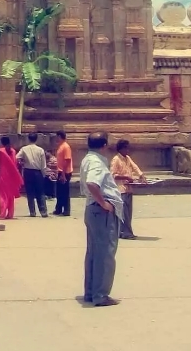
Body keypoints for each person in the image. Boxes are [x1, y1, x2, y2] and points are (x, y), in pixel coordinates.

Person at [80, 131, 123, 307]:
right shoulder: (96, 162)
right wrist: (104, 203)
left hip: (93, 210)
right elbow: (92, 183)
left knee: (94, 253)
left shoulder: (88, 159)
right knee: (105, 254)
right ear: (104, 145)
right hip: (101, 212)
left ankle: (91, 292)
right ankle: (100, 294)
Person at [110, 139, 146, 239]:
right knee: (124, 212)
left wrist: (141, 175)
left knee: (128, 212)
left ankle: (125, 231)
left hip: (129, 188)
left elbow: (135, 167)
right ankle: (125, 233)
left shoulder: (127, 158)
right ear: (121, 149)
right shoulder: (116, 159)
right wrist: (125, 177)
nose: (127, 150)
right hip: (120, 189)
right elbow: (113, 175)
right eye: (126, 148)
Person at [16, 132, 48, 218]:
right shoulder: (40, 150)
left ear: (28, 139)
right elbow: (43, 165)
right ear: (36, 139)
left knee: (30, 193)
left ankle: (32, 212)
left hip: (28, 172)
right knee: (40, 192)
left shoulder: (24, 149)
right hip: (38, 172)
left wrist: (22, 162)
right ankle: (43, 211)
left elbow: (17, 157)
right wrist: (43, 174)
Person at [0, 136, 23, 220]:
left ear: (2, 142)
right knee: (10, 195)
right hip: (12, 175)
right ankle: (10, 214)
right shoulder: (13, 151)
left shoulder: (0, 151)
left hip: (3, 175)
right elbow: (15, 162)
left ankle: (2, 213)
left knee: (3, 195)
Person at [54, 130, 73, 216]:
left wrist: (63, 174)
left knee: (64, 192)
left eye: (57, 136)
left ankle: (66, 210)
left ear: (59, 136)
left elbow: (67, 160)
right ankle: (58, 209)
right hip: (60, 171)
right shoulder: (60, 146)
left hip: (65, 172)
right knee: (60, 192)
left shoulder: (66, 147)